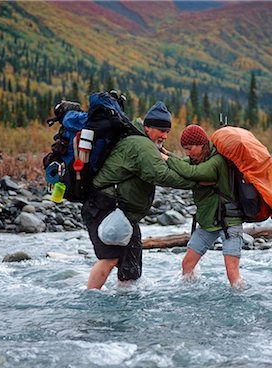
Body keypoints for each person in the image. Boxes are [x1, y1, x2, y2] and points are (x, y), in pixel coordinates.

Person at [81, 102, 194, 289]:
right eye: (160, 130)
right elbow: (160, 174)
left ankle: (127, 304)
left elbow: (166, 163)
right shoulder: (141, 145)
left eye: (167, 131)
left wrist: (194, 171)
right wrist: (195, 182)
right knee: (110, 258)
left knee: (131, 266)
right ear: (147, 127)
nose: (165, 135)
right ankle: (91, 302)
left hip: (123, 214)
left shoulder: (145, 143)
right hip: (104, 207)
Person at [161, 124, 244, 288]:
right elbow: (182, 164)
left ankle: (242, 300)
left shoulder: (217, 161)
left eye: (190, 148)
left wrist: (167, 159)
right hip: (208, 222)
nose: (187, 153)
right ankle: (190, 295)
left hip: (229, 222)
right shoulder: (199, 159)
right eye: (185, 149)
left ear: (201, 144)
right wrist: (166, 153)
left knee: (232, 274)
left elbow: (192, 172)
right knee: (187, 265)